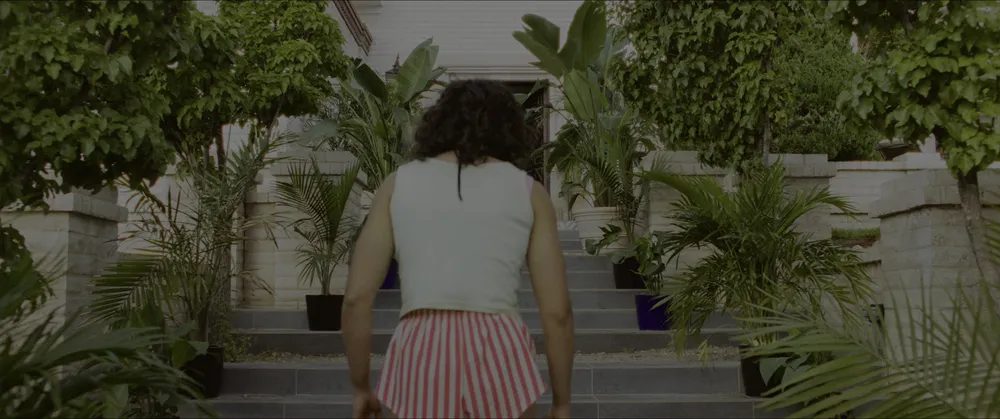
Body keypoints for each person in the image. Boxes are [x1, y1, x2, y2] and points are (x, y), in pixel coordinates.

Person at [341, 79, 575, 419]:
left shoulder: (397, 185)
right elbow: (557, 312)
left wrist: (361, 388)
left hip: (421, 347)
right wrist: (562, 403)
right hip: (499, 349)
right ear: (508, 129)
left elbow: (356, 298)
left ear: (439, 123)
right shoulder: (529, 192)